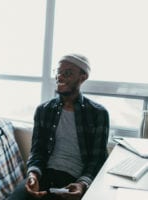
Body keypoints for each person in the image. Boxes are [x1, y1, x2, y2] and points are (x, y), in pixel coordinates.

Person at [9, 54, 109, 200]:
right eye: (58, 72)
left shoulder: (98, 114)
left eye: (67, 73)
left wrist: (82, 184)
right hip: (44, 174)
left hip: (74, 181)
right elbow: (37, 150)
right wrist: (33, 175)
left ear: (83, 77)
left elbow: (97, 158)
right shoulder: (44, 110)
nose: (60, 77)